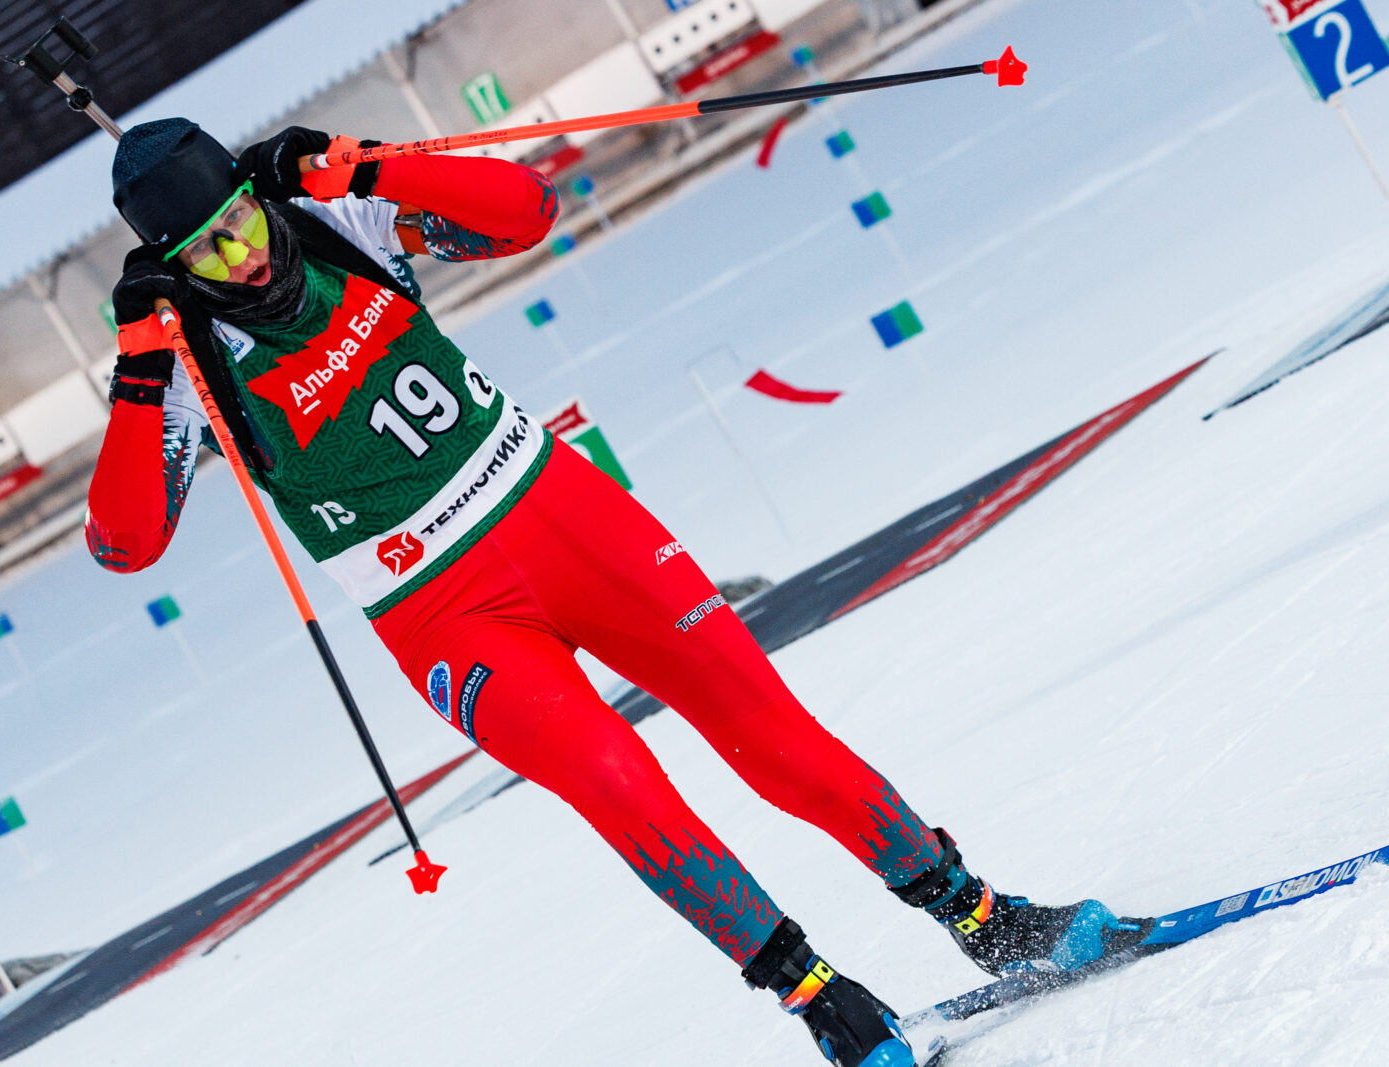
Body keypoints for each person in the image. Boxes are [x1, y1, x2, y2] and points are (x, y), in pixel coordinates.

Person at [86, 118, 1145, 1066]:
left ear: (256, 195)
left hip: (559, 515)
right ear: (174, 266)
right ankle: (821, 1000)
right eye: (206, 252)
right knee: (615, 780)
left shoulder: (336, 221)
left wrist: (367, 164)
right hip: (442, 613)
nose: (241, 257)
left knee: (766, 725)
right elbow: (126, 543)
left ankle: (987, 918)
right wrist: (137, 364)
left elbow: (524, 211)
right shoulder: (184, 360)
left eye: (240, 223)